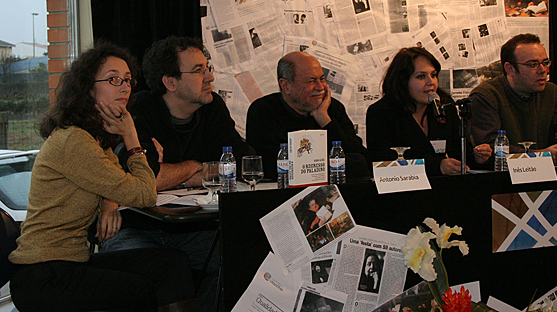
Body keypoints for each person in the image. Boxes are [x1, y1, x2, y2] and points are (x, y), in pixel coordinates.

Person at [9, 42, 197, 312]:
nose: (125, 87)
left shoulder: (96, 140)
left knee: (171, 263)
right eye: (113, 79)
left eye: (128, 80)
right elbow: (145, 192)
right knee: (143, 290)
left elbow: (121, 183)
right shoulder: (74, 141)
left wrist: (110, 198)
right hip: (43, 275)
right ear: (88, 88)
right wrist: (132, 138)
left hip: (70, 263)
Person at [101, 36, 254, 310]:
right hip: (136, 227)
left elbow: (244, 163)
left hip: (191, 228)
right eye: (198, 70)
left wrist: (189, 170)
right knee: (164, 269)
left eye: (208, 68)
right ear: (170, 82)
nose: (209, 77)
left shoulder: (212, 107)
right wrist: (198, 167)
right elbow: (149, 179)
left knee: (238, 257)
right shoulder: (139, 109)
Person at [366, 47, 491, 176]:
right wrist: (437, 166)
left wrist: (476, 156)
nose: (431, 82)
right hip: (404, 191)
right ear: (402, 81)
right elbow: (381, 163)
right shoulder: (381, 113)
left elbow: (459, 153)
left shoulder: (444, 105)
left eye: (433, 75)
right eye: (421, 76)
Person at [246, 51, 369, 181]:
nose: (320, 87)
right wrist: (330, 165)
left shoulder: (332, 108)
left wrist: (325, 120)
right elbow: (271, 166)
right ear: (286, 86)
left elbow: (360, 157)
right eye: (311, 81)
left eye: (322, 79)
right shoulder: (263, 110)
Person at [469, 33, 557, 155]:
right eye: (533, 64)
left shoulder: (552, 93)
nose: (543, 70)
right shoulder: (486, 96)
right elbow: (489, 148)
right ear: (510, 69)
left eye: (545, 63)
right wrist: (539, 154)